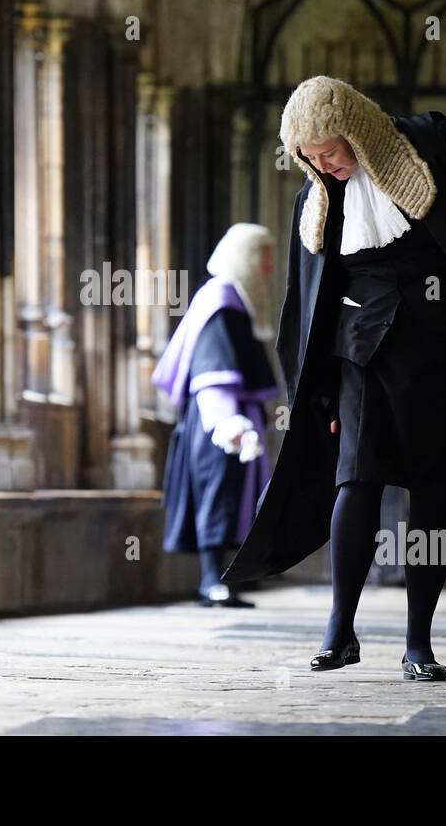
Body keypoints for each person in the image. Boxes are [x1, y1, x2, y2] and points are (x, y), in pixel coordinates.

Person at [221, 75, 446, 681]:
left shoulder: (437, 149)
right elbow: (311, 303)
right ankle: (339, 630)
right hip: (359, 354)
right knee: (356, 480)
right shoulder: (316, 197)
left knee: (431, 489)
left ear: (359, 131)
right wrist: (316, 391)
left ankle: (418, 644)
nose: (323, 166)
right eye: (310, 158)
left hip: (441, 347)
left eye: (332, 152)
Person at [152, 224, 281, 607]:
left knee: (234, 495)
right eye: (265, 256)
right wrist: (227, 422)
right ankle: (211, 581)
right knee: (218, 494)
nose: (269, 267)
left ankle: (226, 579)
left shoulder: (232, 300)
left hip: (232, 418)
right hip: (218, 421)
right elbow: (212, 367)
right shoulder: (221, 299)